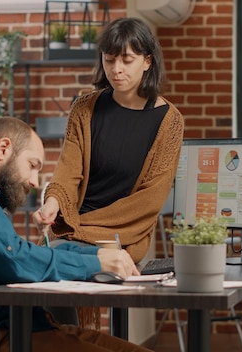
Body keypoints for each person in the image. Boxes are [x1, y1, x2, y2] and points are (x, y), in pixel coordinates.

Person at [0, 117, 148, 352]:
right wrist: (96, 262)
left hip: (28, 328)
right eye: (32, 166)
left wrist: (100, 254)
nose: (34, 181)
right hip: (6, 337)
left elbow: (28, 254)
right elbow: (15, 259)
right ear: (3, 148)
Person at [34, 17, 184, 265]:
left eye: (127, 60)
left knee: (54, 262)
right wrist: (52, 203)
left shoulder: (170, 121)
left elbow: (149, 201)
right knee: (46, 265)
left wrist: (83, 228)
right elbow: (67, 173)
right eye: (109, 59)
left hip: (122, 235)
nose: (116, 69)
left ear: (147, 61)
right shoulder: (83, 109)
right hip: (71, 229)